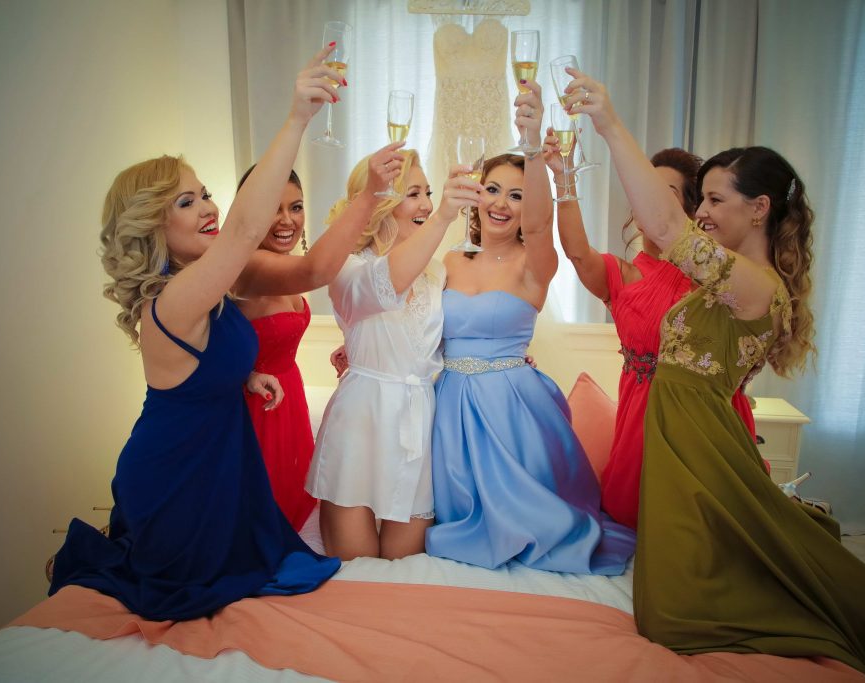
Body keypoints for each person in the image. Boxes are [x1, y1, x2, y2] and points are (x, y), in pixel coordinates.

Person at [564, 67, 865, 681]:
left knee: (673, 615)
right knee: (665, 601)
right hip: (676, 442)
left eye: (715, 200)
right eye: (702, 199)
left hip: (701, 449)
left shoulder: (754, 286)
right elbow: (642, 245)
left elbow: (665, 226)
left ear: (759, 208)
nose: (701, 212)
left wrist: (609, 124)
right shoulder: (716, 280)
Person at [48, 48, 343, 622]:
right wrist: (296, 119)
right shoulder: (176, 297)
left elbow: (201, 364)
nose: (209, 208)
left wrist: (246, 375)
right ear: (153, 227)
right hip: (177, 479)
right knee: (193, 594)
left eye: (205, 193)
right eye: (187, 202)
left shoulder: (198, 288)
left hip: (212, 471)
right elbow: (244, 232)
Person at [424, 81, 636, 574]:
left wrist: (532, 144)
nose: (501, 203)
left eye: (516, 196)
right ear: (477, 193)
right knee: (453, 515)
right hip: (450, 406)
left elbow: (541, 227)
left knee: (531, 518)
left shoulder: (534, 264)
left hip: (512, 408)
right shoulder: (450, 259)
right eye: (493, 189)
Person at [544, 137, 759, 529]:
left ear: (689, 210)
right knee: (640, 517)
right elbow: (576, 251)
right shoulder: (623, 276)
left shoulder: (714, 275)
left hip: (706, 425)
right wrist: (563, 177)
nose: (648, 200)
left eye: (665, 193)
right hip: (643, 426)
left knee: (711, 525)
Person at [305, 150, 481, 561]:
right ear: (380, 202)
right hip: (361, 422)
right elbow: (384, 286)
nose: (426, 205)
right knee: (358, 569)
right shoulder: (346, 267)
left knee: (405, 567)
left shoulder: (437, 273)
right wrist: (444, 217)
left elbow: (445, 339)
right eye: (413, 194)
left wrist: (501, 359)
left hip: (419, 424)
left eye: (428, 193)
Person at [233, 143, 404, 532]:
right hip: (258, 412)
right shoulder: (247, 268)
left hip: (288, 399)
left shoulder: (281, 263)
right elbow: (317, 270)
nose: (287, 220)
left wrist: (354, 344)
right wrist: (370, 194)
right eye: (272, 208)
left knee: (298, 509)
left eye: (295, 207)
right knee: (264, 521)